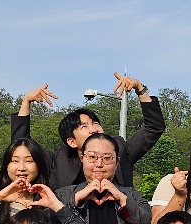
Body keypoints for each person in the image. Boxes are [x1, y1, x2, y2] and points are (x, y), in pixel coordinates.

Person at [12, 72, 165, 188]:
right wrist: (26, 102)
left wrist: (140, 89)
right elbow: (21, 145)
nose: (94, 129)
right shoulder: (58, 160)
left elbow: (154, 128)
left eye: (95, 123)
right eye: (84, 126)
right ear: (71, 142)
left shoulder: (120, 150)